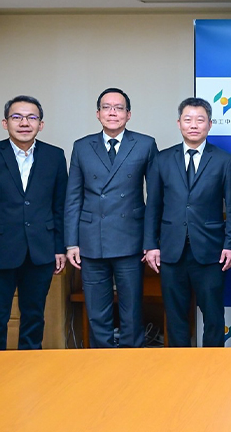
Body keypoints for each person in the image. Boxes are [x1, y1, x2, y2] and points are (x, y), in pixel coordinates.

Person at [0, 95, 68, 350]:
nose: (24, 123)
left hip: (40, 252)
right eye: (17, 117)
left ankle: (30, 369)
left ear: (41, 124)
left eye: (32, 117)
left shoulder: (55, 156)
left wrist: (59, 248)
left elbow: (59, 208)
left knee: (34, 319)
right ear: (5, 123)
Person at [65, 87, 158, 348]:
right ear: (98, 114)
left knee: (132, 309)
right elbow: (73, 197)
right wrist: (71, 242)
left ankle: (131, 359)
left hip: (131, 238)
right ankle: (100, 361)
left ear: (129, 114)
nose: (113, 112)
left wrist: (151, 241)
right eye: (107, 107)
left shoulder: (145, 144)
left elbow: (155, 198)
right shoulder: (82, 146)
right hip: (91, 239)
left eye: (119, 108)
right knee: (97, 310)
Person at [144, 98, 231, 347]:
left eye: (200, 120)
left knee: (214, 316)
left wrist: (230, 244)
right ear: (179, 123)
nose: (193, 125)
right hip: (171, 251)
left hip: (210, 251)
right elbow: (153, 205)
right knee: (175, 316)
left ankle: (213, 365)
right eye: (188, 120)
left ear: (210, 124)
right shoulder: (162, 159)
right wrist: (151, 245)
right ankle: (180, 366)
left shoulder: (224, 160)